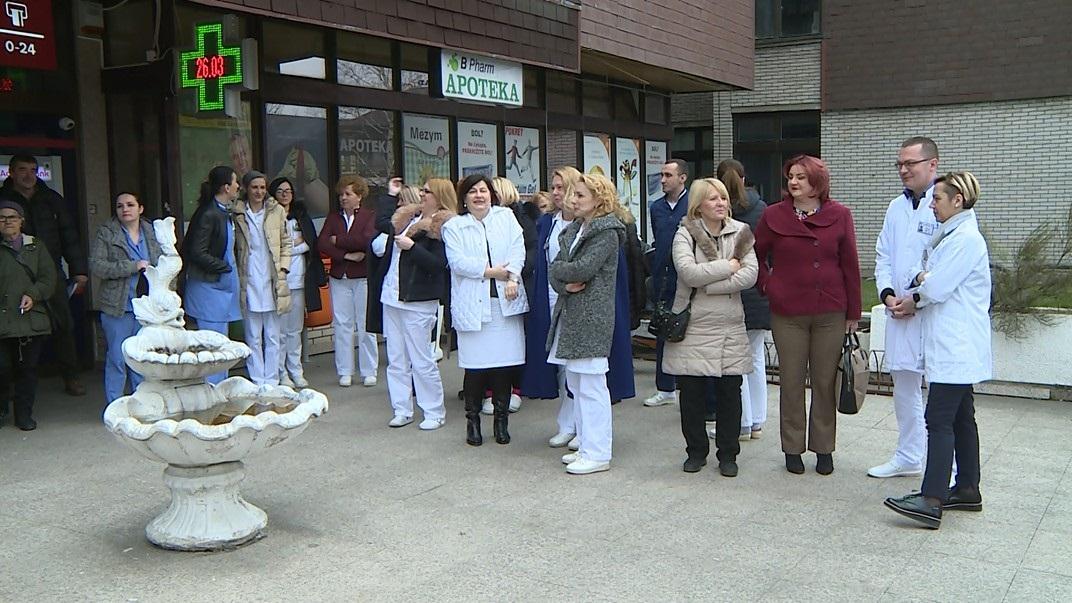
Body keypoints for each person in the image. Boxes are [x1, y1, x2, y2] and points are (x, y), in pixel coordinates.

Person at [884, 171, 990, 529]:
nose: (931, 205)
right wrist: (923, 279)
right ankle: (967, 488)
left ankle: (931, 499)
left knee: (939, 419)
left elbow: (937, 286)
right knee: (961, 417)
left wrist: (916, 293)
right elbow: (924, 273)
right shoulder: (952, 236)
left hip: (955, 346)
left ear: (957, 200)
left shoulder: (965, 240)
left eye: (938, 199)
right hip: (954, 344)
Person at [754, 155, 861, 476]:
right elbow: (754, 255)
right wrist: (768, 285)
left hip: (831, 310)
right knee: (791, 380)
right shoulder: (774, 215)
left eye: (801, 177)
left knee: (825, 381)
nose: (793, 182)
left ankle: (824, 448)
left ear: (818, 181)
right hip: (788, 312)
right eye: (790, 176)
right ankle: (792, 448)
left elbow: (850, 264)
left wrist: (853, 311)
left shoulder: (840, 214)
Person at [663, 178, 758, 477]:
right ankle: (696, 452)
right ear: (698, 205)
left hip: (729, 324)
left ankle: (728, 454)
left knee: (731, 391)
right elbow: (689, 273)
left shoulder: (741, 232)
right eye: (713, 198)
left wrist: (713, 285)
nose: (721, 203)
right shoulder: (685, 233)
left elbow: (751, 274)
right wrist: (728, 267)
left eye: (724, 198)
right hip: (693, 324)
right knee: (691, 393)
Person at [868, 137, 941, 479]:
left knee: (943, 393)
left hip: (932, 312)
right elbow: (884, 254)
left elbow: (945, 267)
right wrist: (887, 294)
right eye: (899, 164)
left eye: (910, 163)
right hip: (898, 310)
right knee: (904, 387)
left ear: (932, 164)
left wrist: (918, 299)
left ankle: (949, 469)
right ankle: (909, 455)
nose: (903, 170)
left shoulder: (944, 206)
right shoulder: (896, 207)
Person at [547, 173, 625, 475]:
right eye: (573, 194)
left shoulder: (606, 233)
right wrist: (565, 283)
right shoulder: (576, 229)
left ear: (599, 199)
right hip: (571, 314)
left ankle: (598, 452)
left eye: (580, 195)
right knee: (577, 384)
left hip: (591, 318)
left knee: (591, 386)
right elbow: (557, 271)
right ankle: (586, 443)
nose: (573, 200)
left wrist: (563, 272)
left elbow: (583, 268)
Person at [442, 174, 528, 446]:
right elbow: (458, 262)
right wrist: (493, 272)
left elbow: (518, 249)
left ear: (492, 194)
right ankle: (473, 422)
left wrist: (512, 277)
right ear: (464, 198)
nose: (479, 196)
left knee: (503, 367)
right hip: (473, 307)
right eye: (472, 192)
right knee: (476, 369)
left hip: (504, 304)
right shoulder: (455, 226)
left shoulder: (506, 217)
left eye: (483, 191)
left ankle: (501, 422)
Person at [0, 154, 88, 396]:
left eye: (33, 170)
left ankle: (71, 377)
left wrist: (79, 270)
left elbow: (69, 235)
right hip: (13, 274)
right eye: (22, 170)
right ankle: (16, 388)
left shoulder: (51, 199)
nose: (29, 176)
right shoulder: (3, 200)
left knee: (63, 325)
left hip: (51, 271)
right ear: (11, 173)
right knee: (13, 329)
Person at [376, 178, 456, 430]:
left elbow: (439, 265)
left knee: (422, 359)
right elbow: (382, 223)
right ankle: (402, 408)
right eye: (421, 190)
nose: (422, 194)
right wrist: (390, 196)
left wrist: (412, 248)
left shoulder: (444, 225)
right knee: (396, 358)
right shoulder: (407, 218)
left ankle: (434, 411)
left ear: (439, 196)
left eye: (427, 191)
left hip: (419, 300)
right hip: (393, 294)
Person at [521, 166, 581, 448]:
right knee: (558, 365)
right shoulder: (547, 222)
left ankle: (580, 425)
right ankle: (567, 423)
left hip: (576, 302)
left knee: (576, 368)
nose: (556, 193)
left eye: (561, 187)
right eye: (553, 187)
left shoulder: (585, 223)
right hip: (549, 300)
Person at [89, 193, 162, 403]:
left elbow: (164, 261)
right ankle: (115, 405)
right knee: (118, 358)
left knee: (141, 358)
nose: (125, 209)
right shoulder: (107, 233)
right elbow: (97, 265)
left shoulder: (152, 232)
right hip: (118, 305)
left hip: (147, 305)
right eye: (120, 206)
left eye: (130, 205)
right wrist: (131, 266)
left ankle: (142, 402)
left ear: (140, 208)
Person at [717, 159, 770, 441]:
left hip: (733, 290)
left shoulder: (720, 214)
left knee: (735, 362)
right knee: (756, 358)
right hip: (759, 291)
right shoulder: (762, 209)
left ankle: (743, 422)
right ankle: (758, 420)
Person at [183, 165, 243, 385]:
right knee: (213, 347)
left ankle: (219, 392)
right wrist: (224, 267)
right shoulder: (209, 213)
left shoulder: (223, 211)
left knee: (221, 345)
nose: (238, 186)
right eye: (235, 182)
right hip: (209, 289)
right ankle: (212, 394)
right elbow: (196, 251)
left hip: (221, 290)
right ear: (226, 187)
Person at [0, 200, 57, 430]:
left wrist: (33, 295)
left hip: (30, 320)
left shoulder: (36, 246)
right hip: (3, 320)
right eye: (2, 218)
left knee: (28, 371)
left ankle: (23, 414)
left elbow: (48, 279)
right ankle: (2, 408)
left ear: (21, 221)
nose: (7, 222)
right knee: (2, 368)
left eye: (12, 217)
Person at [318, 175, 379, 388]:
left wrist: (339, 240)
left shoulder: (369, 216)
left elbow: (366, 240)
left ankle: (369, 370)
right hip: (339, 275)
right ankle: (344, 371)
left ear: (359, 196)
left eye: (348, 194)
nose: (343, 198)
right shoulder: (333, 218)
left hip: (362, 276)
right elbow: (322, 243)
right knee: (342, 324)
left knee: (364, 324)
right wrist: (346, 255)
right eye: (341, 194)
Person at [483, 176, 537, 414]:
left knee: (512, 341)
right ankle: (488, 390)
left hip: (514, 286)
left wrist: (512, 272)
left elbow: (529, 251)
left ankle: (514, 389)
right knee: (486, 342)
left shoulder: (520, 219)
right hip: (486, 286)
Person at [232, 171, 292, 386]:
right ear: (246, 188)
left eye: (262, 188)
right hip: (248, 279)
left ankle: (273, 380)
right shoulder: (237, 212)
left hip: (273, 278)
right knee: (253, 336)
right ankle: (258, 379)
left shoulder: (276, 211)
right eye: (254, 187)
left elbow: (286, 242)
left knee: (273, 335)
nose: (259, 192)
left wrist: (284, 269)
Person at [271, 177, 327, 389]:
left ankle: (296, 370)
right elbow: (276, 249)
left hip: (300, 280)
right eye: (280, 191)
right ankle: (281, 372)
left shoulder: (300, 217)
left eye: (289, 191)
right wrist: (296, 244)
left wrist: (294, 245)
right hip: (279, 281)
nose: (285, 194)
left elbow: (310, 244)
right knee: (280, 331)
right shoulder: (271, 218)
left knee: (295, 330)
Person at [644, 159, 690, 407]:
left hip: (686, 276)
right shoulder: (656, 207)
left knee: (686, 330)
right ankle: (665, 387)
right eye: (662, 175)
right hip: (663, 276)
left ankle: (688, 386)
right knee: (663, 328)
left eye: (668, 175)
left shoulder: (693, 203)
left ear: (682, 178)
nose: (662, 179)